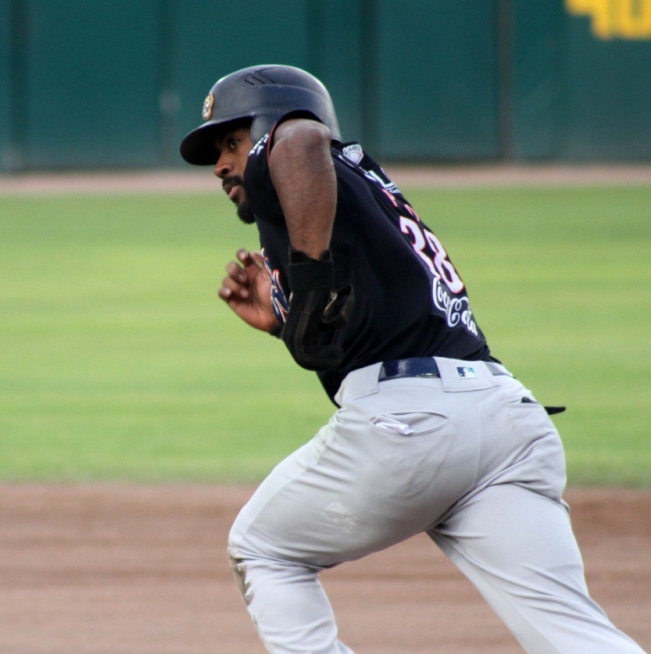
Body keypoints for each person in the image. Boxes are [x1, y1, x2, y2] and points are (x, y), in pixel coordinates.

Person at [180, 64, 644, 653]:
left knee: (263, 549)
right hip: (506, 421)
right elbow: (380, 316)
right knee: (575, 635)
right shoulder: (360, 191)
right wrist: (289, 318)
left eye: (232, 142)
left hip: (413, 424)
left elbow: (300, 139)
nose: (221, 165)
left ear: (270, 125)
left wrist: (312, 279)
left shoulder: (297, 150)